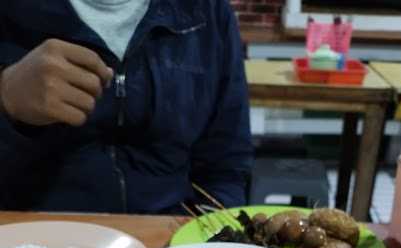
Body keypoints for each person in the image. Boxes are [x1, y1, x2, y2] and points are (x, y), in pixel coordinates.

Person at [0, 1, 252, 214]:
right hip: (30, 245)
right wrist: (6, 97)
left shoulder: (207, 10)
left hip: (174, 243)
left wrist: (210, 240)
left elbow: (226, 161)